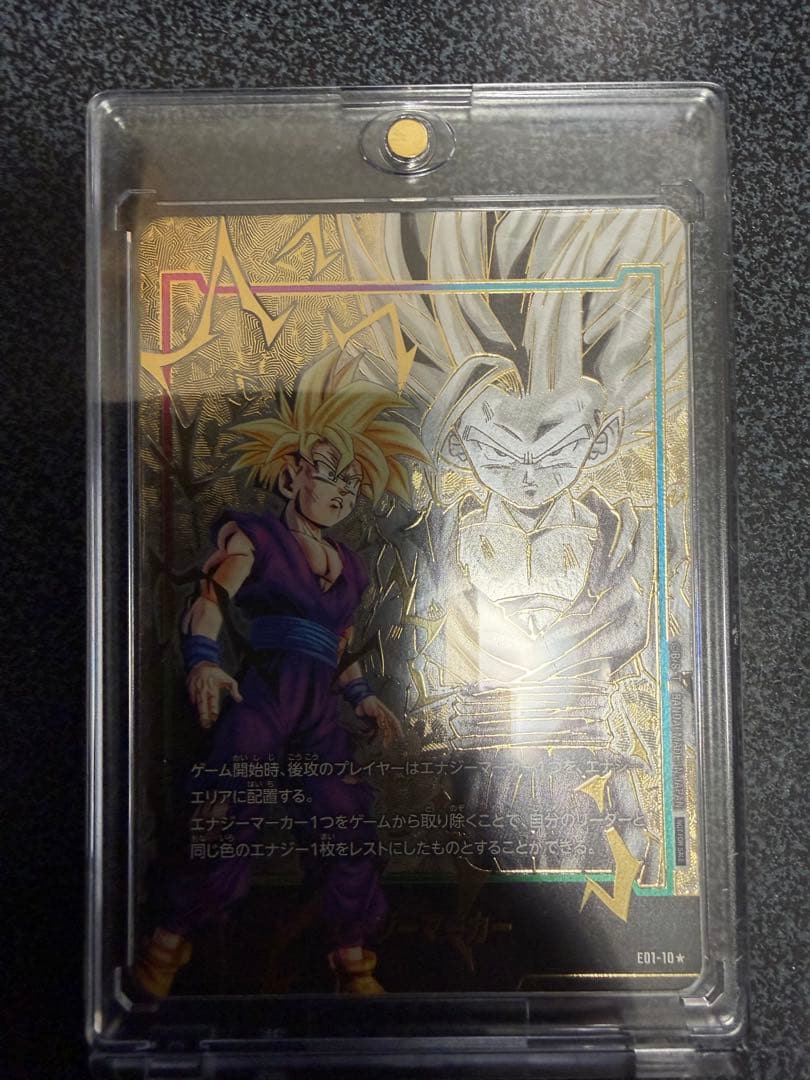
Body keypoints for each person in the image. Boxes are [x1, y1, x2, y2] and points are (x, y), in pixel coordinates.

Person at [133, 348, 428, 997]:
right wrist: (204, 662)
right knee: (225, 810)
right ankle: (164, 950)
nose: (342, 491)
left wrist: (363, 697)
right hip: (264, 695)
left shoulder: (350, 565)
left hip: (320, 711)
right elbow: (210, 599)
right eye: (329, 475)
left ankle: (353, 962)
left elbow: (340, 641)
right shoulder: (257, 538)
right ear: (293, 475)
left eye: (353, 483)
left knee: (344, 818)